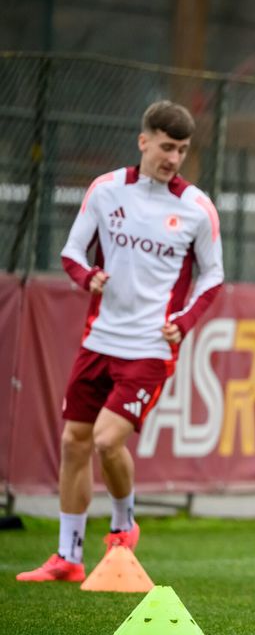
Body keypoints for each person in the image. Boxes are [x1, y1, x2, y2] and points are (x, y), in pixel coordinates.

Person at [18, 101, 223, 581]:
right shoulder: (106, 190)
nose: (173, 158)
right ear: (143, 140)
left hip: (151, 347)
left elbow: (213, 278)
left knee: (108, 440)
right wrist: (86, 275)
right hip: (99, 340)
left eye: (183, 150)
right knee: (74, 441)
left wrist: (185, 320)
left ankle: (123, 522)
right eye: (166, 147)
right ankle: (68, 556)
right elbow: (71, 250)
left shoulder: (196, 207)